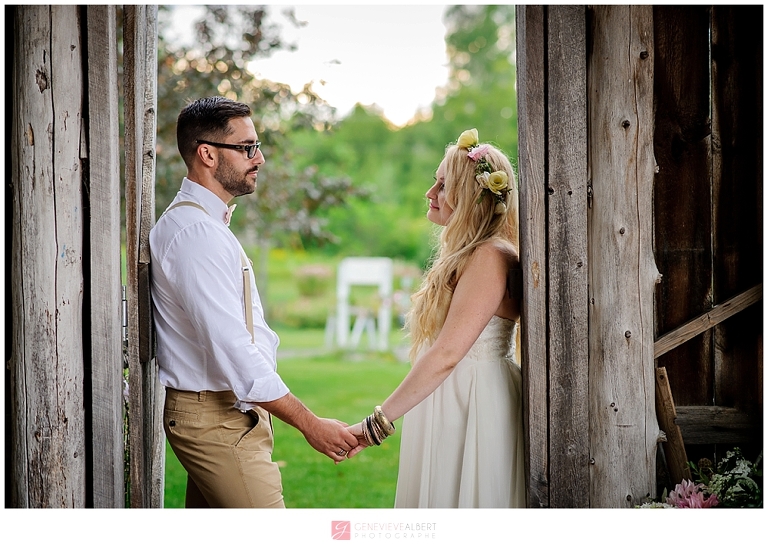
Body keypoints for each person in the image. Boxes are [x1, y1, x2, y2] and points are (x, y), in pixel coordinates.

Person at [150, 96, 357, 508]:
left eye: (257, 146)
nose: (259, 158)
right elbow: (234, 350)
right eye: (246, 148)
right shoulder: (195, 235)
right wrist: (310, 424)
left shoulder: (206, 225)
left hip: (228, 413)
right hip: (215, 421)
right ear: (207, 154)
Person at [347, 128, 525, 508]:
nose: (430, 194)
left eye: (443, 186)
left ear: (468, 196)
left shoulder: (490, 256)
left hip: (473, 400)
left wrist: (376, 425)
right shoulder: (476, 253)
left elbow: (446, 354)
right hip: (450, 396)